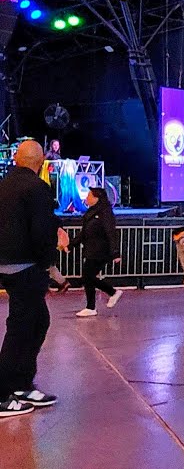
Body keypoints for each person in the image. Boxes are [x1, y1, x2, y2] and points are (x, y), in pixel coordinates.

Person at [0, 140, 61, 417]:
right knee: (22, 327)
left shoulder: (3, 185)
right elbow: (42, 232)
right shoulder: (37, 188)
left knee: (37, 321)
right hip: (26, 267)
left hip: (7, 266)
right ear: (40, 163)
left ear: (16, 159)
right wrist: (48, 263)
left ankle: (21, 383)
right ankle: (3, 394)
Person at [63, 187, 123, 317]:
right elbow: (84, 233)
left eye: (89, 196)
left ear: (97, 198)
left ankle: (105, 297)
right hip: (92, 250)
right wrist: (71, 245)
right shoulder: (91, 213)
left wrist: (115, 253)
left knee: (87, 277)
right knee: (88, 278)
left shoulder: (105, 213)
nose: (86, 199)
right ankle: (97, 302)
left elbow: (110, 233)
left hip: (101, 251)